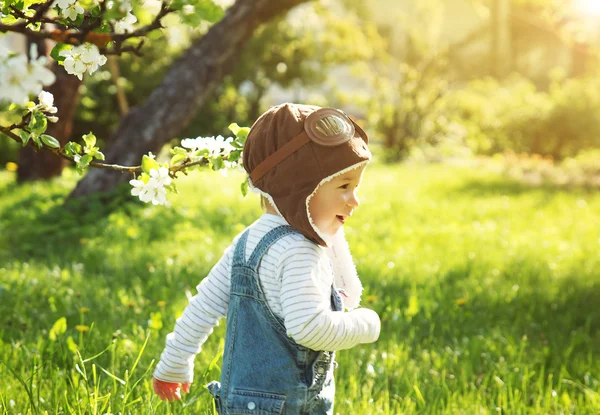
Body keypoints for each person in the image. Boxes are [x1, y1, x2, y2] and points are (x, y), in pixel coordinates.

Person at [152, 103, 381, 414]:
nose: (355, 200)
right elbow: (310, 329)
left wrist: (174, 363)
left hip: (242, 402)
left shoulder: (248, 241)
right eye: (344, 186)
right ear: (299, 188)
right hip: (289, 405)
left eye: (356, 187)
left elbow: (204, 305)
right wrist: (366, 324)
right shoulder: (300, 251)